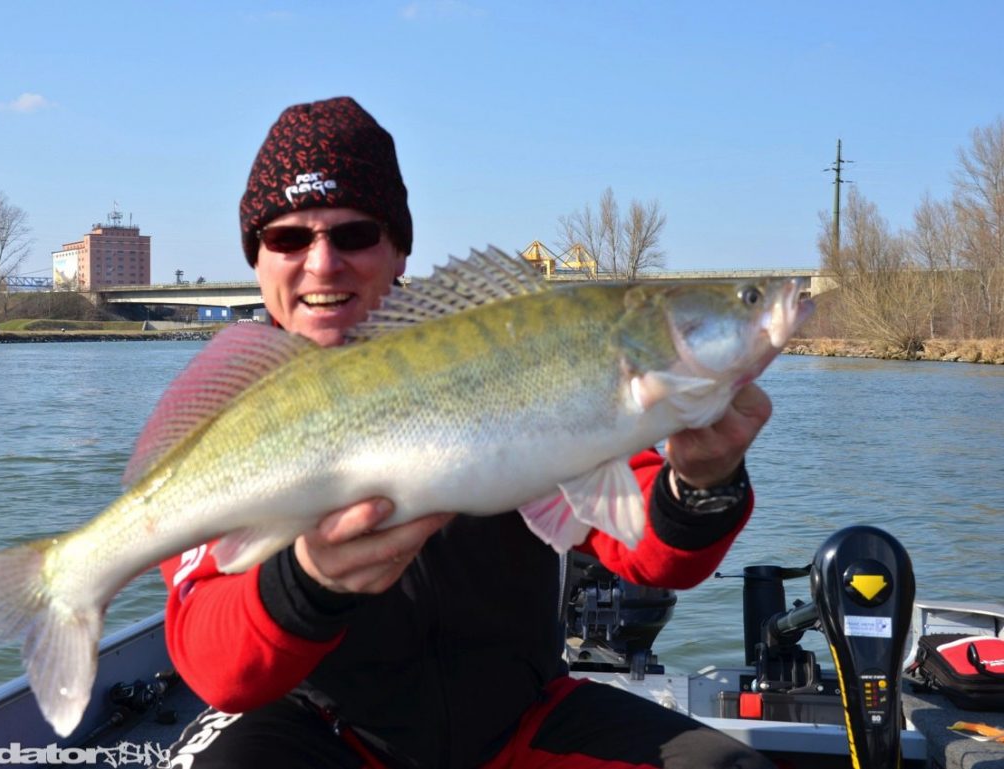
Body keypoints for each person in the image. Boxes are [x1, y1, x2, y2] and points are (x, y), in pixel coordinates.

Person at [161, 96, 775, 769]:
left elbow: (654, 552)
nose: (323, 262)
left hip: (519, 726)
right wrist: (306, 581)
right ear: (257, 260)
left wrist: (702, 483)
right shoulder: (221, 418)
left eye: (356, 233)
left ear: (398, 249)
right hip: (328, 734)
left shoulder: (506, 353)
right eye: (288, 237)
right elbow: (217, 665)